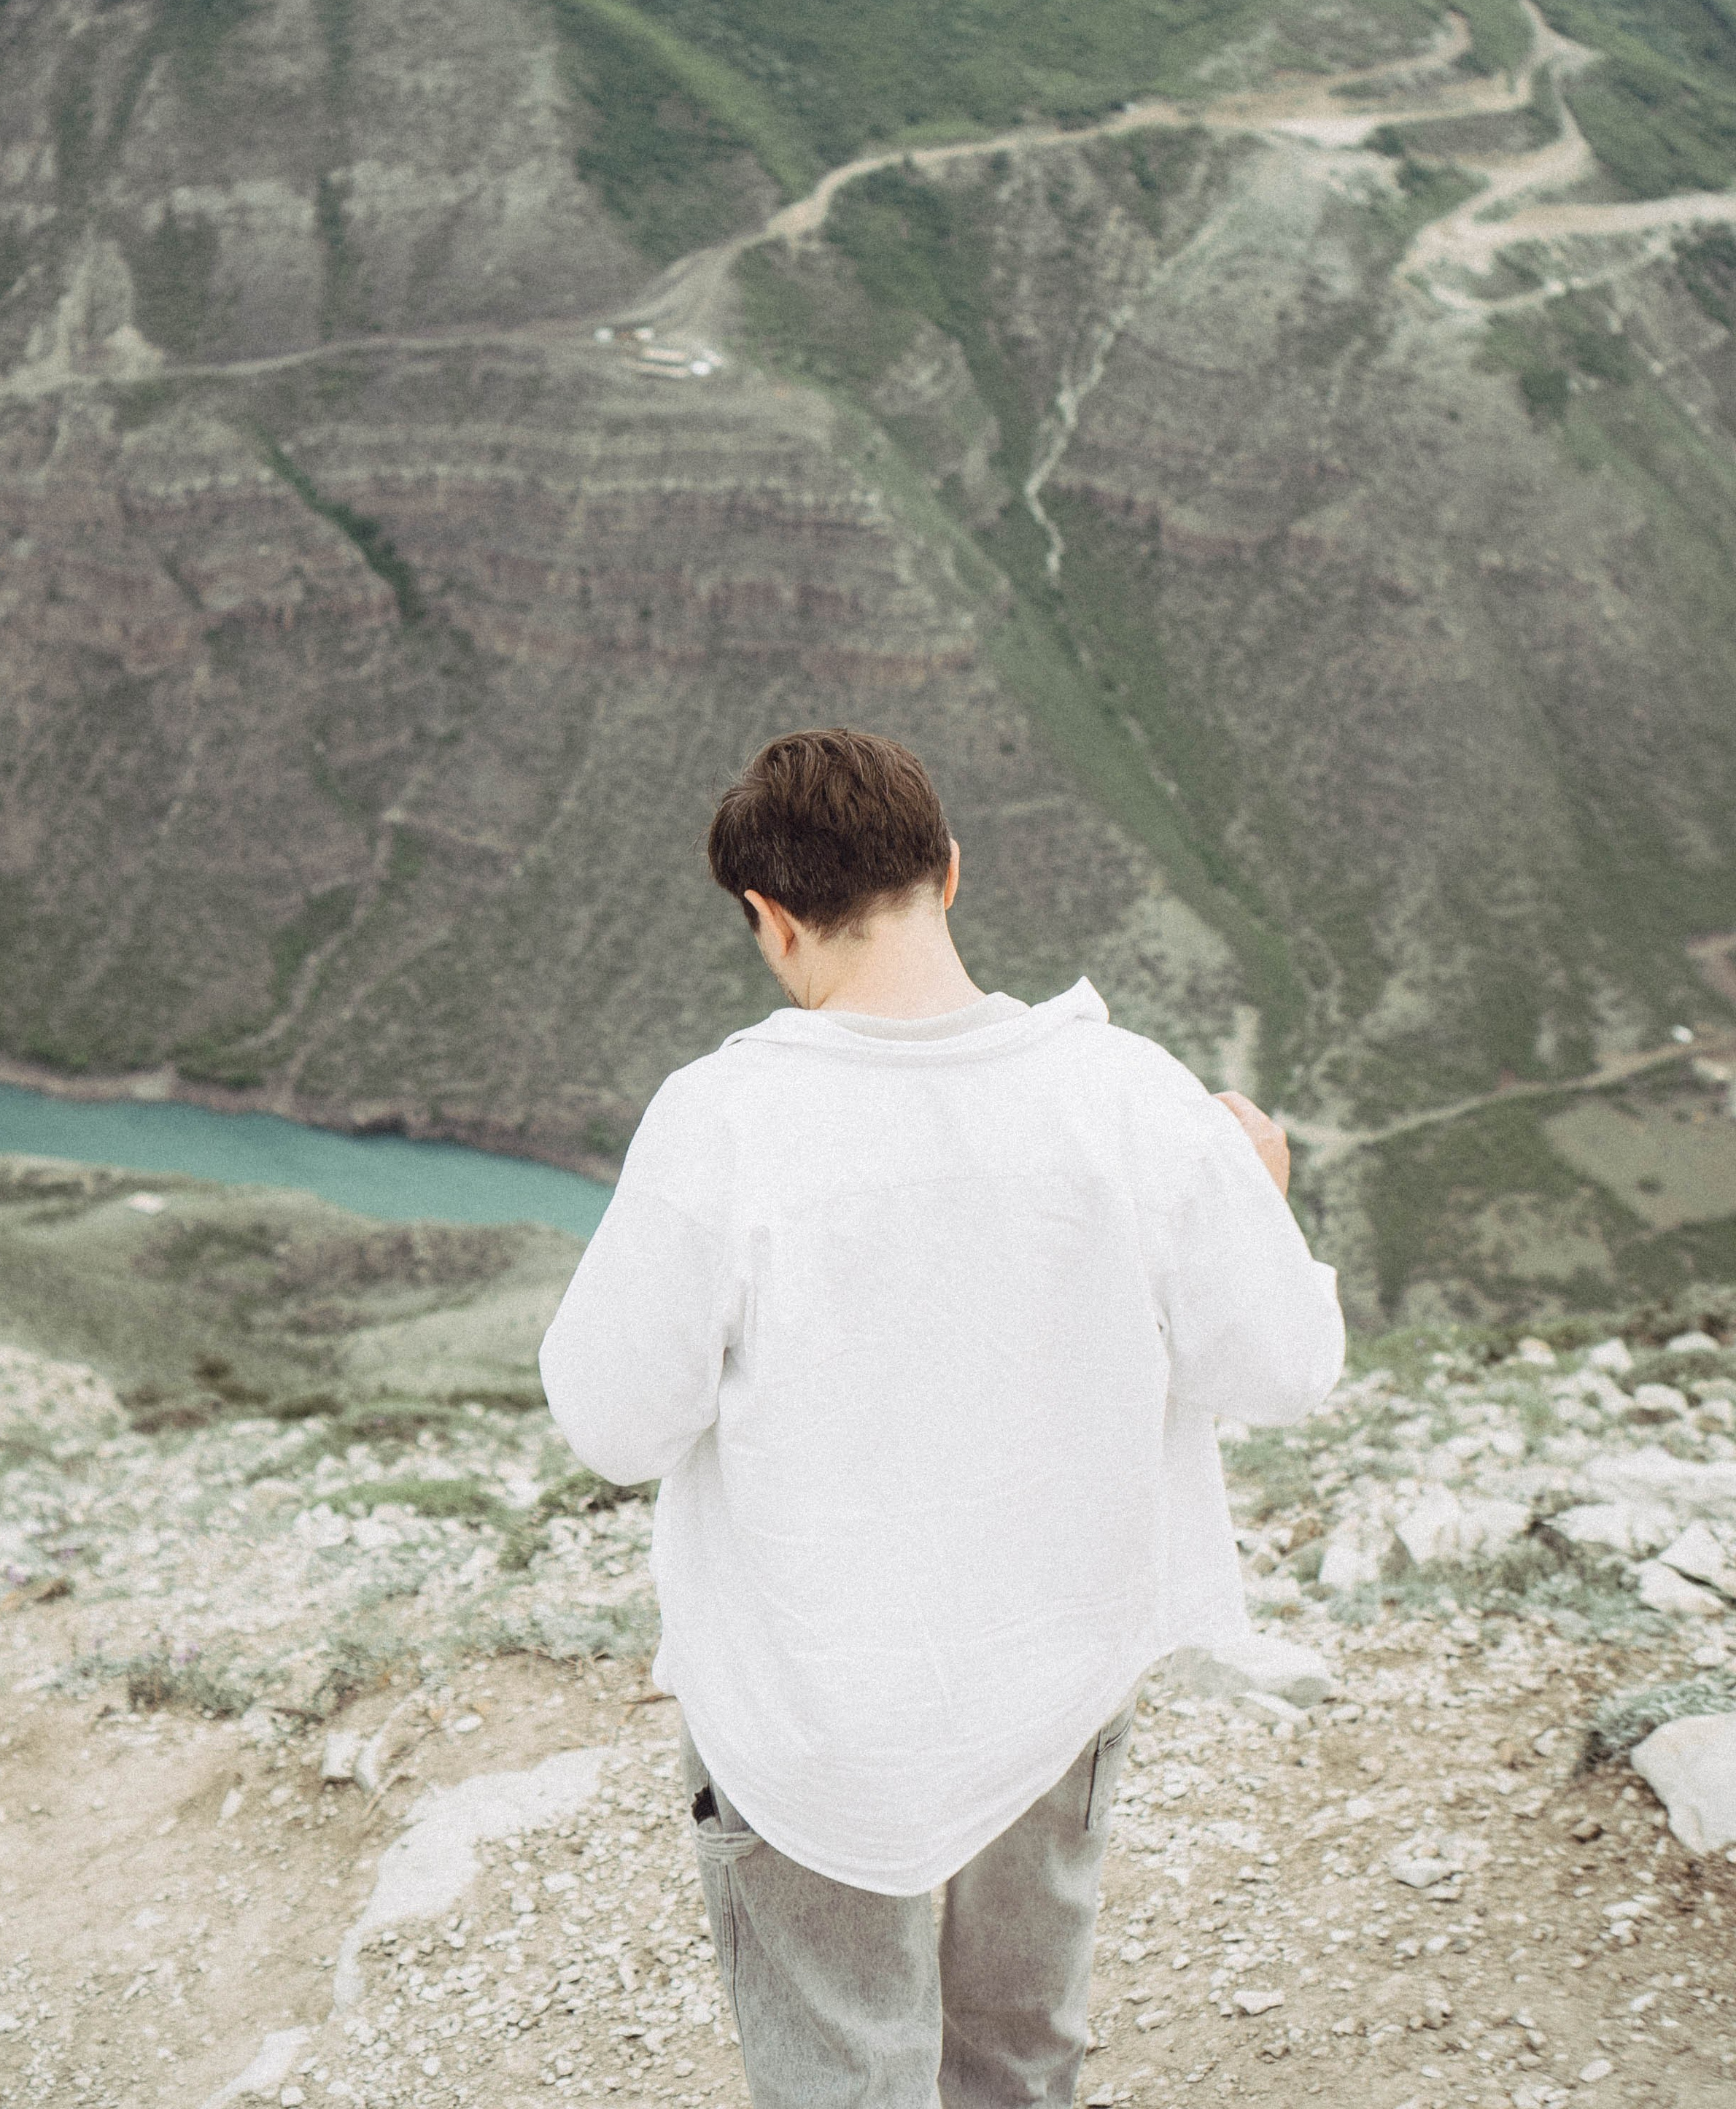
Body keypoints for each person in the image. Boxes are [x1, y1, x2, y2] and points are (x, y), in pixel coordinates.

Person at [540, 728, 1344, 2109]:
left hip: (813, 1714)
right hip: (1058, 1671)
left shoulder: (723, 1121)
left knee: (847, 2074)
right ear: (951, 873)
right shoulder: (1135, 1095)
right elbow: (1280, 1371)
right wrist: (1255, 1194)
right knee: (1021, 2050)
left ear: (771, 920)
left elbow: (616, 1427)